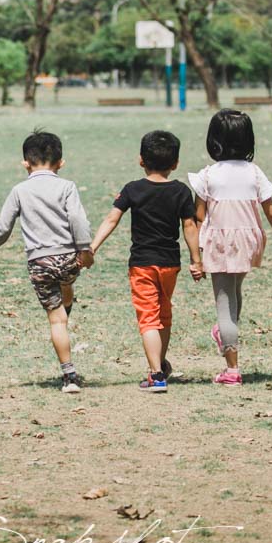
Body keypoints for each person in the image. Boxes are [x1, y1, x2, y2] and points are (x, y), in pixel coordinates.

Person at [0, 131, 93, 393]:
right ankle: (67, 302)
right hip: (68, 258)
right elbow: (78, 220)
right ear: (61, 162)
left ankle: (69, 376)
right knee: (66, 284)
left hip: (40, 262)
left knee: (56, 321)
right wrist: (84, 249)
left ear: (25, 163)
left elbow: (3, 229)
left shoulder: (20, 190)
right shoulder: (67, 187)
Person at [190, 110, 272, 386]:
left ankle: (231, 369)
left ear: (214, 141)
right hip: (247, 242)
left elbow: (199, 216)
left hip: (219, 242)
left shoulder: (207, 176)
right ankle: (224, 333)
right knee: (235, 292)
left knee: (224, 303)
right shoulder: (254, 173)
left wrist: (197, 255)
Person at [90, 130, 201, 393]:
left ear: (141, 160)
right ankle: (160, 361)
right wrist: (197, 261)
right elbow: (190, 226)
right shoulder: (181, 191)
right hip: (170, 264)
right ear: (175, 163)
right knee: (163, 314)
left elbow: (111, 220)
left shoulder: (133, 189)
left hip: (142, 264)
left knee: (148, 318)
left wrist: (93, 247)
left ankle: (156, 374)